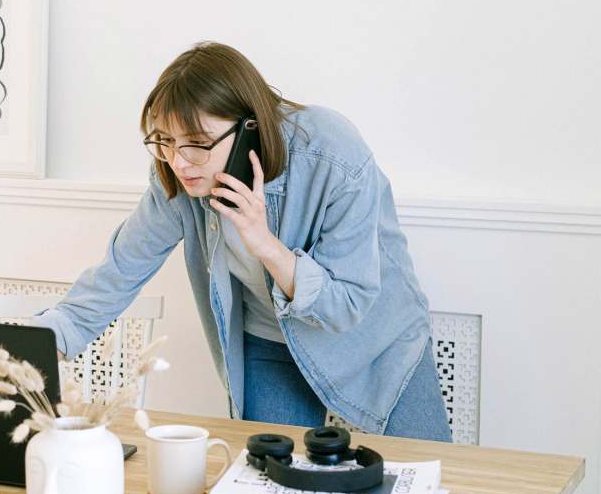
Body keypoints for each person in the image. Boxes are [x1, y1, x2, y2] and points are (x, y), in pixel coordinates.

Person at [30, 41, 452, 442]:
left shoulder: (331, 153)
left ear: (249, 128)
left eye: (196, 143)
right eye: (165, 141)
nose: (179, 161)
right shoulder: (179, 175)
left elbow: (347, 305)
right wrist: (30, 348)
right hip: (269, 343)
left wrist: (264, 243)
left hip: (375, 341)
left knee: (434, 478)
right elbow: (118, 274)